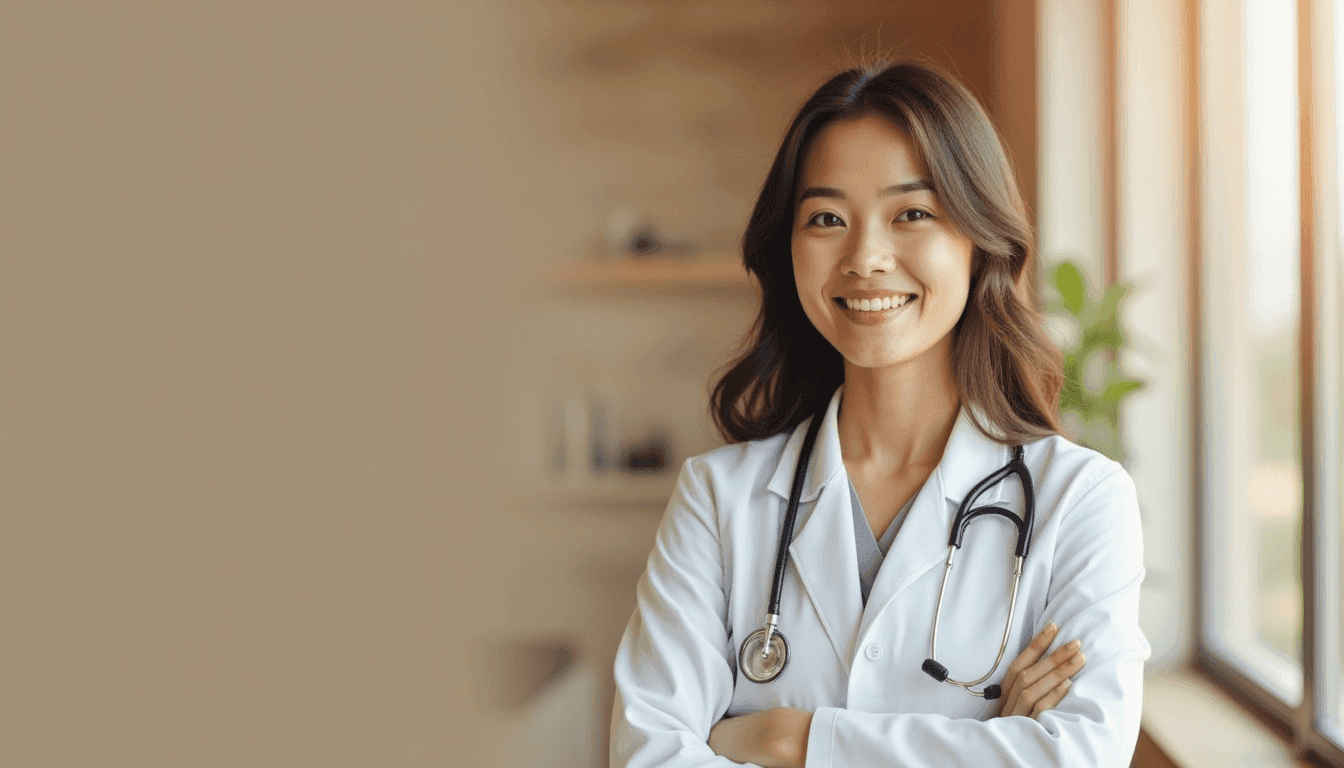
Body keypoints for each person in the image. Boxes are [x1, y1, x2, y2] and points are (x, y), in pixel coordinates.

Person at [609, 59, 1149, 768]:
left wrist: (786, 739)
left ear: (978, 237)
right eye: (827, 218)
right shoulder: (719, 500)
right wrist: (988, 745)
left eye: (911, 214)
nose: (865, 256)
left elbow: (1076, 757)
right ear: (790, 247)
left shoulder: (1080, 501)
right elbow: (647, 756)